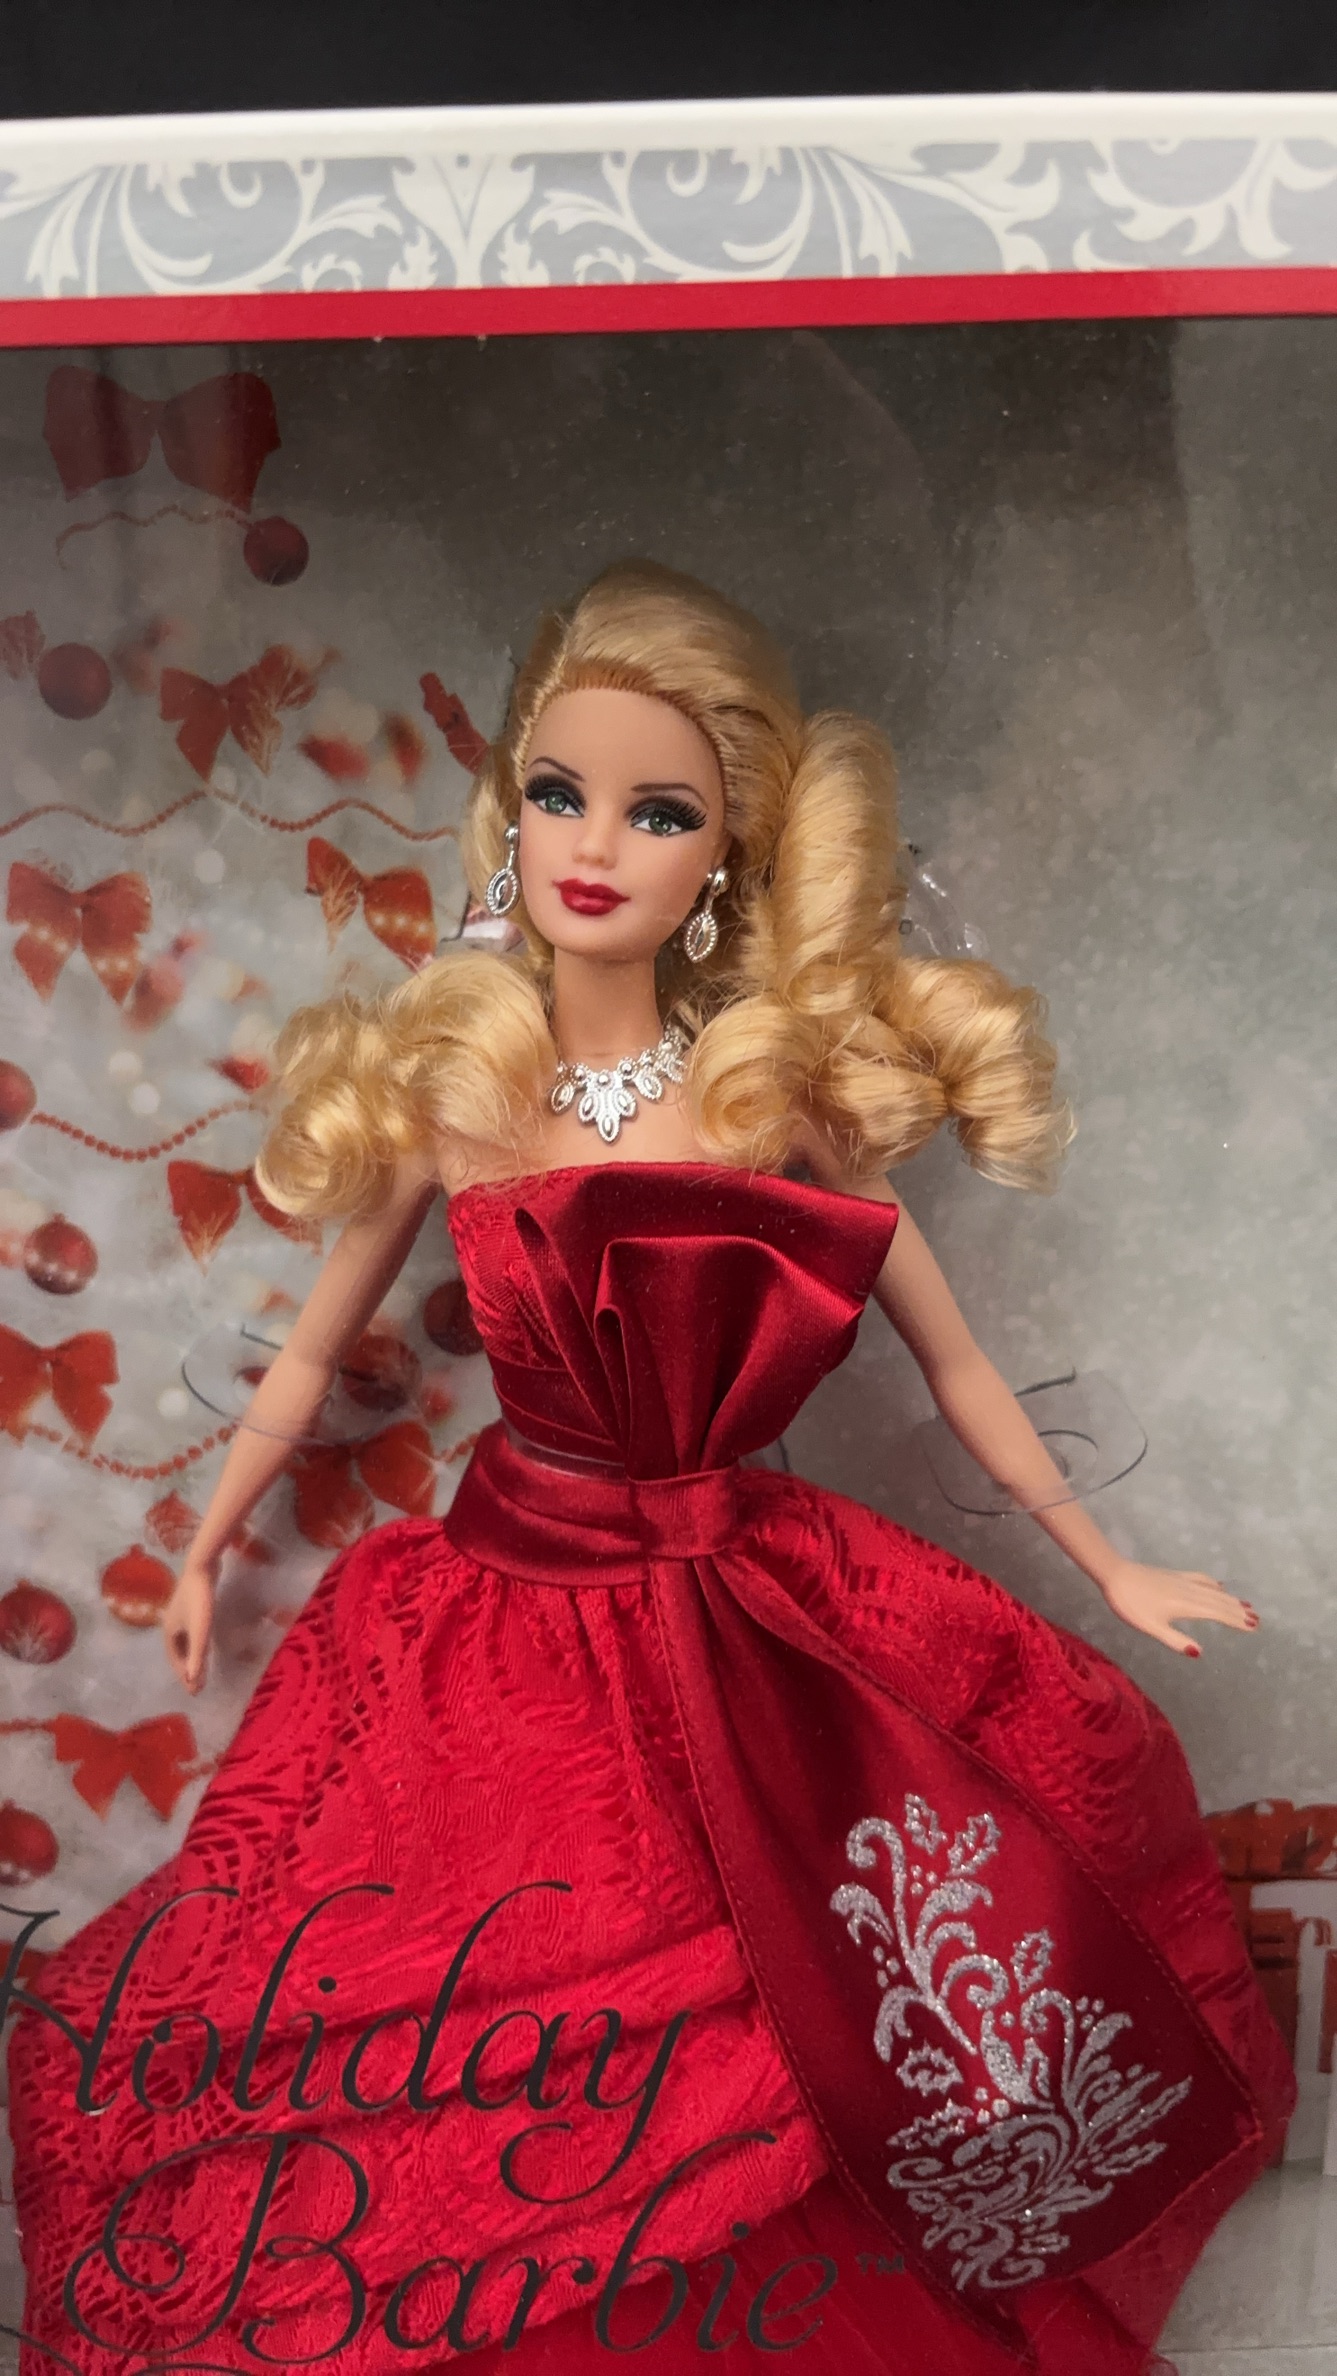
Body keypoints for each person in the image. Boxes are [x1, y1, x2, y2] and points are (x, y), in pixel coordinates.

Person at [7, 562, 1292, 2376]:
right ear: (510, 815)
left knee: (833, 1972)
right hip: (498, 1615)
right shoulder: (460, 1086)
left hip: (752, 1602)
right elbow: (310, 1351)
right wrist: (210, 1538)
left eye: (659, 810)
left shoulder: (775, 1102)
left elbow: (956, 1362)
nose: (596, 843)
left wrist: (1108, 1565)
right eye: (560, 792)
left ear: (727, 860)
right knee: (444, 1999)